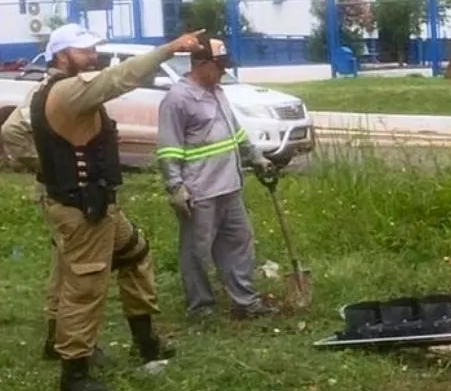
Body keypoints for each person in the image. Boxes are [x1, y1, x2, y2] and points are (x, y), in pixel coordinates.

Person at [29, 23, 205, 391]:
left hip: (92, 204)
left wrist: (47, 168)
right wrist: (169, 49)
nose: (93, 55)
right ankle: (74, 375)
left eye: (93, 48)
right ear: (63, 56)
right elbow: (118, 78)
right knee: (85, 286)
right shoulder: (66, 90)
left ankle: (145, 342)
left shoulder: (48, 90)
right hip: (82, 209)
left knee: (134, 254)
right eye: (84, 50)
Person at [156, 35, 276, 320]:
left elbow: (234, 132)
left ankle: (244, 302)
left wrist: (255, 157)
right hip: (200, 190)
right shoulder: (178, 99)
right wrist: (175, 186)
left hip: (229, 186)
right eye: (219, 65)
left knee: (239, 242)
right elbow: (168, 147)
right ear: (200, 63)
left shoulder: (216, 91)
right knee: (196, 251)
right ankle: (201, 307)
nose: (223, 71)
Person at [0, 85, 98, 366]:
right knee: (72, 266)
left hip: (77, 193)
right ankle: (62, 340)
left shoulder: (75, 87)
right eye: (85, 50)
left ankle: (58, 338)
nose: (92, 55)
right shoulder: (49, 92)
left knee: (67, 263)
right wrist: (48, 166)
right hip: (60, 194)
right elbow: (12, 131)